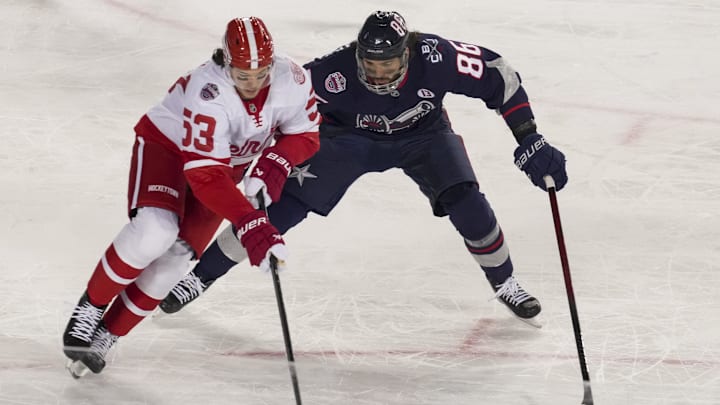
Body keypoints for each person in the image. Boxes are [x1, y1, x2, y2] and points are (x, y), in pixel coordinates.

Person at [161, 11, 567, 325]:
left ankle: (505, 283)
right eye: (370, 65)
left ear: (406, 51)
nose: (378, 74)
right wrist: (265, 158)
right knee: (280, 211)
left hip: (424, 137)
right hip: (346, 141)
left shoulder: (436, 57)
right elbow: (273, 111)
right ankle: (201, 277)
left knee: (468, 204)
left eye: (388, 65)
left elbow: (500, 76)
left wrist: (529, 136)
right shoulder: (329, 73)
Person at [61, 16, 320, 376]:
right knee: (156, 230)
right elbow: (205, 176)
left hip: (223, 167)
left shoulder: (291, 77)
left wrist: (276, 161)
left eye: (260, 73)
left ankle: (109, 333)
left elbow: (306, 134)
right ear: (225, 62)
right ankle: (91, 306)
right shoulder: (208, 90)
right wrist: (249, 221)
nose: (252, 83)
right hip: (169, 150)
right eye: (242, 75)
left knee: (175, 260)